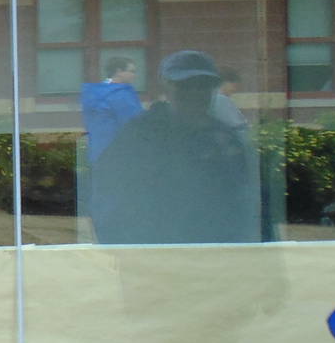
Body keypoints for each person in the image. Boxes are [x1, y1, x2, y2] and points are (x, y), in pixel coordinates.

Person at [90, 49, 262, 244]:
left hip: (213, 253)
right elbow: (108, 195)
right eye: (185, 85)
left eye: (203, 85)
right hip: (151, 253)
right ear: (166, 87)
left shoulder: (224, 139)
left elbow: (244, 203)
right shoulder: (139, 135)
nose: (195, 92)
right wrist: (125, 249)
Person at [80, 56, 144, 163]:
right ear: (118, 72)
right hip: (120, 154)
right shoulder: (122, 95)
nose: (135, 75)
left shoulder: (93, 93)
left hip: (96, 151)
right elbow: (135, 124)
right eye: (132, 71)